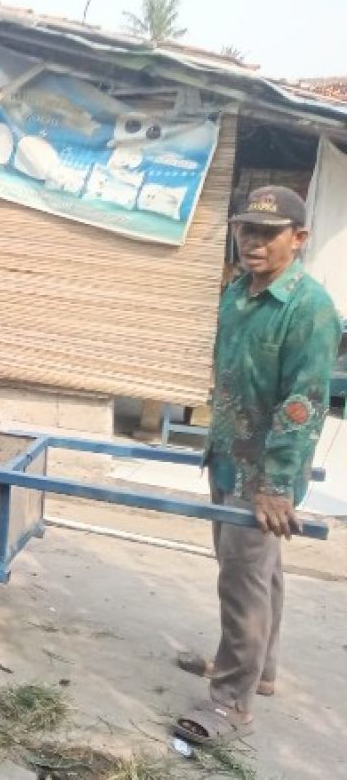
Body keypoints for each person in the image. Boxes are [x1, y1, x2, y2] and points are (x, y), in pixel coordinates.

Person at [173, 186, 340, 747]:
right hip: (226, 457)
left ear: (299, 238)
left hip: (263, 474)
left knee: (241, 580)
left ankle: (231, 703)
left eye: (268, 233)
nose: (253, 242)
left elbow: (304, 403)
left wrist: (274, 486)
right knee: (260, 572)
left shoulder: (310, 309)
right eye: (247, 230)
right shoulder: (239, 293)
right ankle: (254, 669)